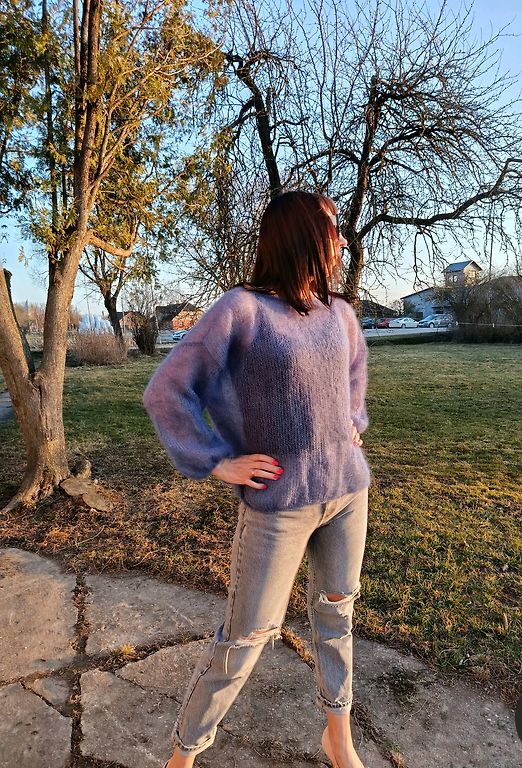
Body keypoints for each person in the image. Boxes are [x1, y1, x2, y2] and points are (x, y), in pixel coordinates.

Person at [143, 190, 371, 768]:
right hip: (279, 506)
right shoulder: (242, 311)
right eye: (331, 228)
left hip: (347, 493)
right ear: (301, 236)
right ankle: (183, 756)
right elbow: (167, 390)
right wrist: (217, 460)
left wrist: (352, 422)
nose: (340, 240)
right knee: (245, 638)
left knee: (337, 616)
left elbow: (353, 375)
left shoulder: (339, 313)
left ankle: (339, 740)